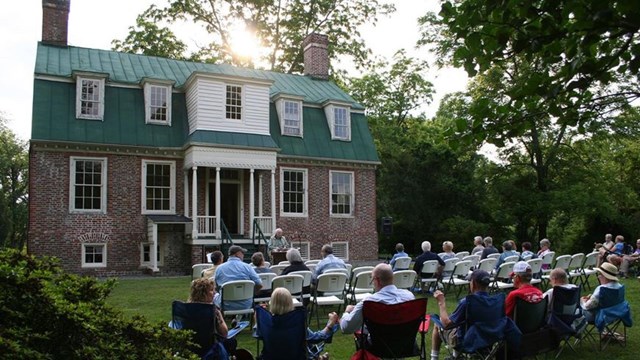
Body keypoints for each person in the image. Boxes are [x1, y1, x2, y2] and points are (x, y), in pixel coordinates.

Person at [430, 269, 493, 360]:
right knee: (460, 324)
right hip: (487, 340)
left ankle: (434, 358)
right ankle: (456, 356)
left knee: (438, 324)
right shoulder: (494, 302)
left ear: (473, 283)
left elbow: (446, 324)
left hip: (466, 342)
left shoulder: (467, 302)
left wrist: (441, 302)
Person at [340, 263, 415, 334]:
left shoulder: (368, 303)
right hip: (407, 344)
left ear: (377, 280)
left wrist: (347, 312)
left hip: (378, 345)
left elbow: (346, 328)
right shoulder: (409, 296)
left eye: (372, 280)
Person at [186, 278, 236, 356]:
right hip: (210, 348)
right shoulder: (212, 310)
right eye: (211, 290)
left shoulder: (186, 308)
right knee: (231, 341)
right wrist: (219, 314)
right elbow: (224, 333)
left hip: (190, 345)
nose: (214, 293)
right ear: (202, 293)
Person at [214, 245, 262, 311]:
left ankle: (218, 319)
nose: (243, 255)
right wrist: (251, 293)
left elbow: (216, 287)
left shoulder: (219, 268)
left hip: (226, 304)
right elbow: (259, 284)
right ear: (237, 254)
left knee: (214, 295)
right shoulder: (247, 267)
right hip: (246, 304)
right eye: (242, 253)